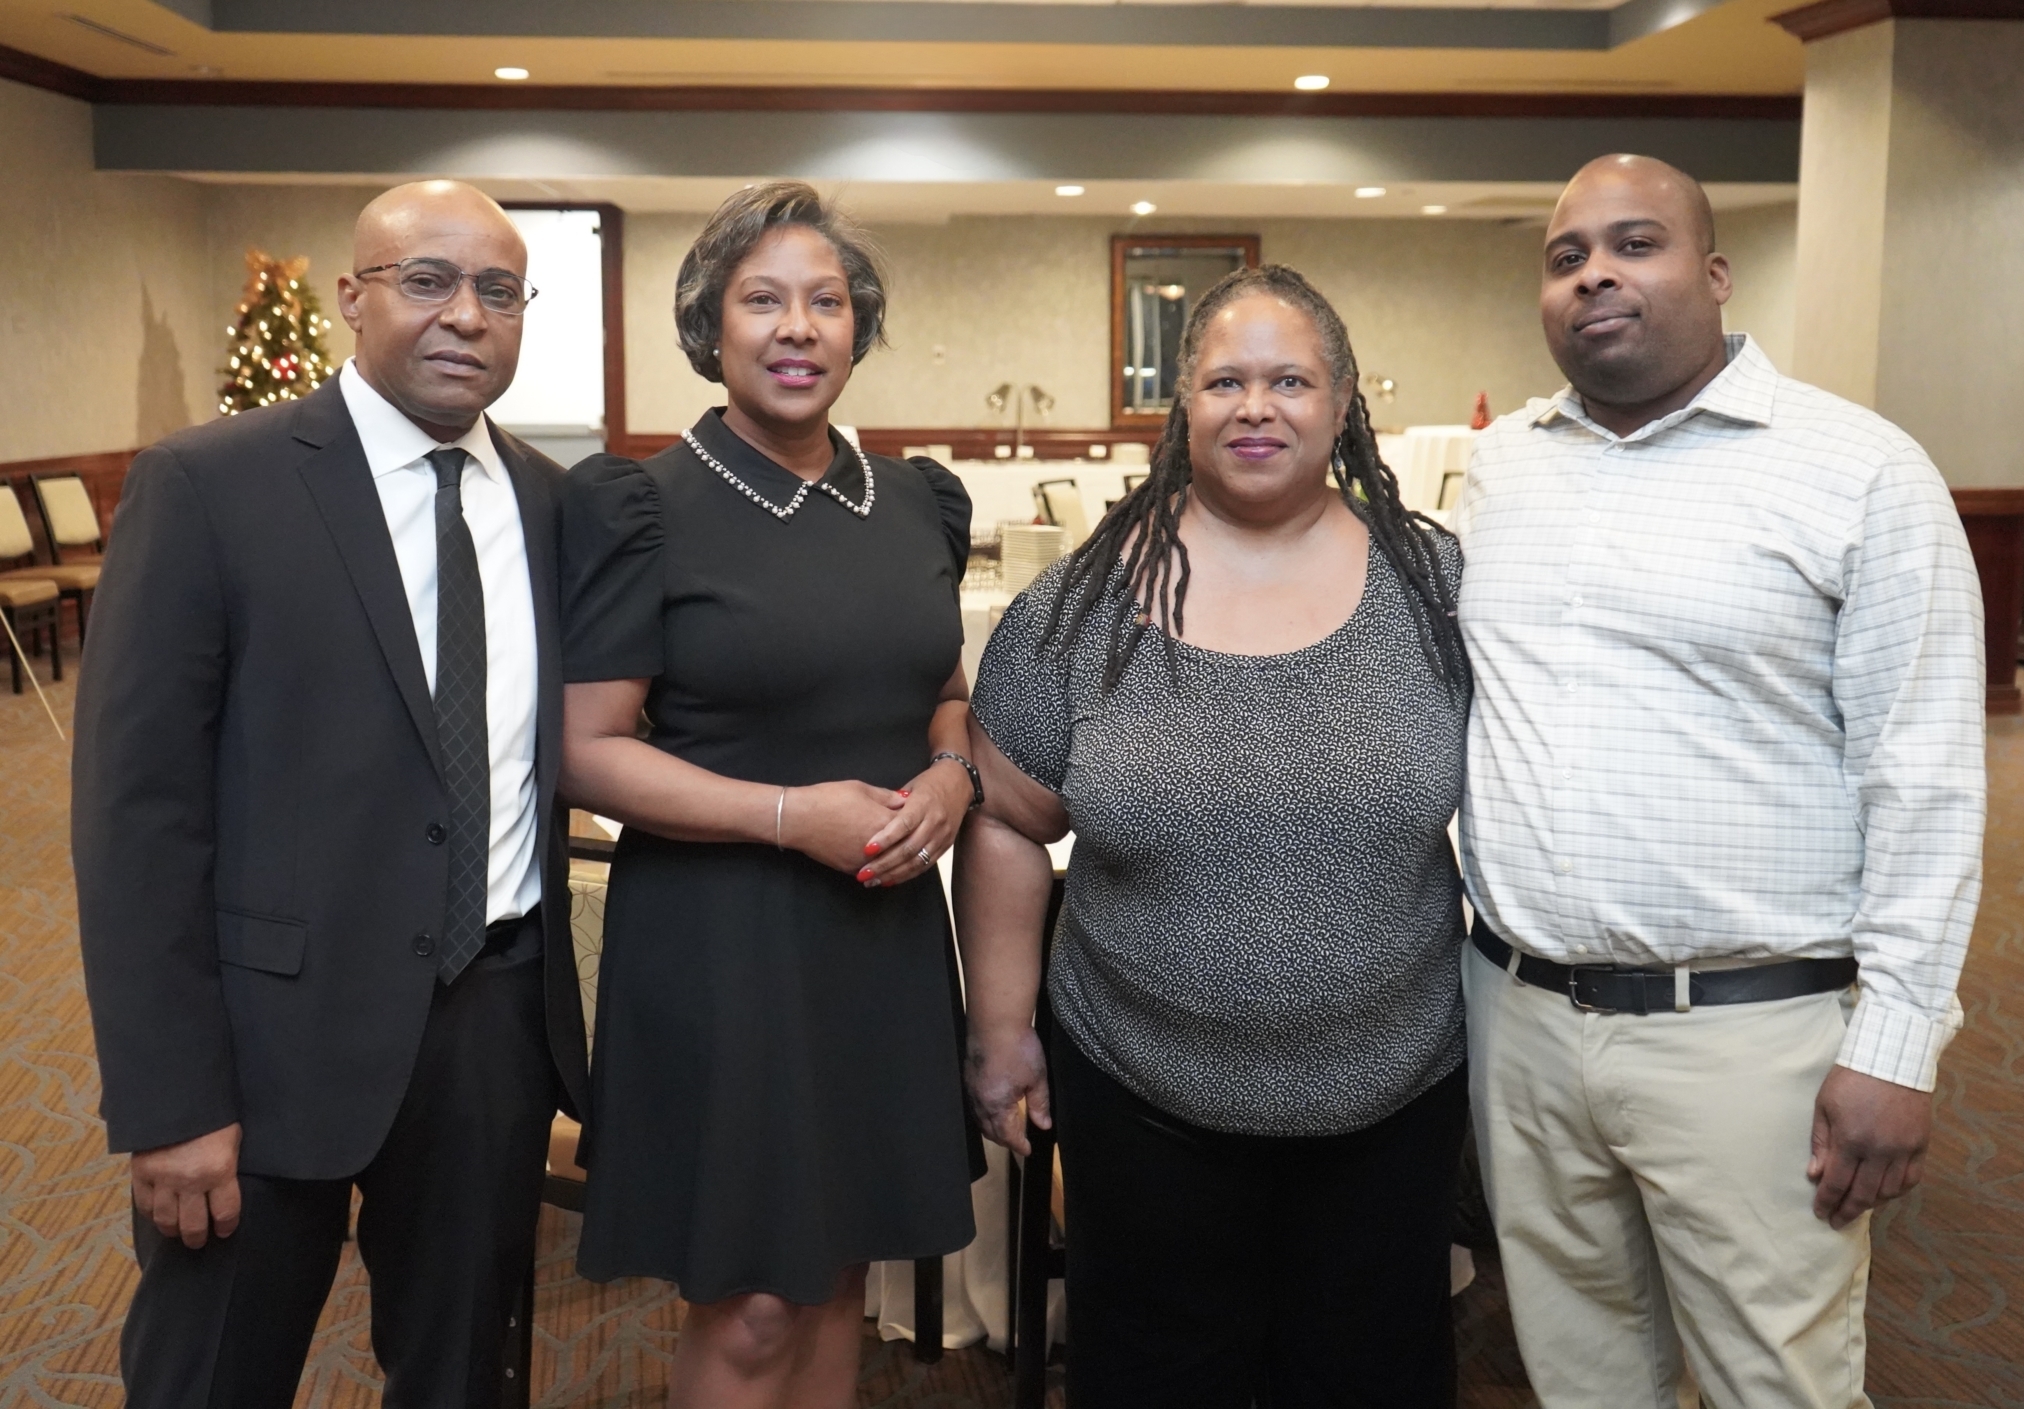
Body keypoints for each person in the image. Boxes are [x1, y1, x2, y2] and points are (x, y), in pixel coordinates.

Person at [1456, 154, 1985, 1408]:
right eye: (1564, 253)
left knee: (1777, 1383)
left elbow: (1925, 778)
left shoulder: (1857, 470)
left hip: (1750, 1036)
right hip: (1520, 1018)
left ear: (1711, 271)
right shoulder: (1501, 471)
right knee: (1580, 1374)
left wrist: (1898, 1046)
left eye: (1632, 244)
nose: (1594, 273)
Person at [72, 179, 589, 1405]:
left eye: (498, 290)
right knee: (213, 1375)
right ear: (353, 299)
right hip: (262, 1047)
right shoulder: (211, 484)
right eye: (427, 280)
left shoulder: (553, 505)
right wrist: (171, 1099)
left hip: (491, 1024)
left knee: (464, 1373)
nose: (465, 314)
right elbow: (135, 816)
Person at [958, 263, 1473, 1407]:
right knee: (1154, 1377)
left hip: (1392, 1094)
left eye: (1289, 379)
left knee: (1370, 1377)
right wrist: (1000, 1035)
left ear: (1340, 405)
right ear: (1179, 408)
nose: (1255, 406)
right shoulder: (1078, 606)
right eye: (1223, 380)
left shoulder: (1436, 587)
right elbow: (1004, 823)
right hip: (1139, 1096)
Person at [557, 181, 980, 1409]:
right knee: (747, 1302)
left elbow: (940, 692)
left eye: (826, 301)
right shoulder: (640, 503)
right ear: (710, 326)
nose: (797, 327)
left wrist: (951, 774)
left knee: (839, 1265)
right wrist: (787, 814)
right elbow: (586, 750)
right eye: (762, 300)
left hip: (879, 929)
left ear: (858, 330)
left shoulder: (915, 500)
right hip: (718, 936)